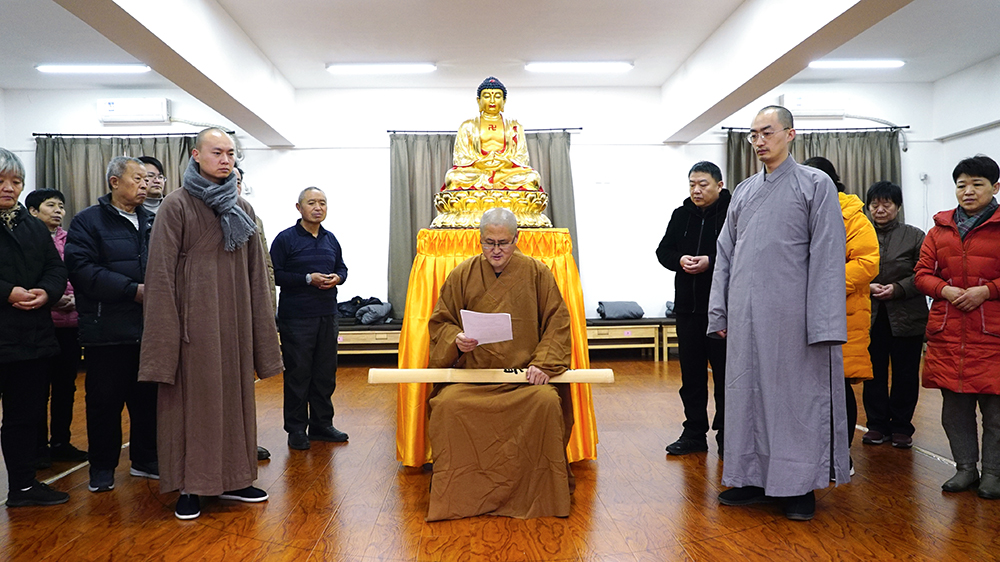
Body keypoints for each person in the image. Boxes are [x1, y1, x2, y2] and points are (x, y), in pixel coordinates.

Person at [708, 106, 849, 521]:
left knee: (794, 402)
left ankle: (798, 486)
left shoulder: (814, 184)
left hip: (794, 319)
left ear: (790, 133)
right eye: (753, 135)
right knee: (746, 396)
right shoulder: (745, 191)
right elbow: (724, 255)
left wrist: (823, 323)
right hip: (747, 318)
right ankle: (752, 478)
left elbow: (828, 254)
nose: (758, 141)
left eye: (766, 132)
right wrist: (721, 312)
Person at [138, 128, 283, 519]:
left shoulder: (243, 209)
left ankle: (236, 478)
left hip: (233, 324)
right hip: (193, 328)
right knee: (192, 407)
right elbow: (161, 275)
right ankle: (190, 486)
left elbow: (257, 275)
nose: (225, 159)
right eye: (216, 152)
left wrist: (260, 332)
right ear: (195, 155)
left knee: (236, 402)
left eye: (231, 153)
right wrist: (165, 337)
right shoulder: (176, 205)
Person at [425, 207, 574, 520]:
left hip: (523, 380)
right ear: (479, 240)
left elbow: (558, 322)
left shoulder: (537, 272)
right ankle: (462, 496)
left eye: (503, 243)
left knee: (547, 403)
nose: (496, 250)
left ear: (516, 239)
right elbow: (441, 323)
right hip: (473, 380)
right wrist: (457, 340)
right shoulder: (462, 274)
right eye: (489, 243)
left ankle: (539, 494)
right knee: (447, 405)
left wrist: (543, 363)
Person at [65, 156, 158, 493]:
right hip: (107, 330)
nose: (145, 185)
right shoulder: (88, 221)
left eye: (148, 179)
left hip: (150, 331)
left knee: (148, 401)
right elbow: (82, 269)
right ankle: (102, 467)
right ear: (114, 182)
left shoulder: (153, 221)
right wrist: (131, 291)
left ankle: (146, 460)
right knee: (104, 403)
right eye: (138, 178)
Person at [915, 154, 1000, 499]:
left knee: (996, 414)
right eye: (962, 184)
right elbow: (921, 275)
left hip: (993, 333)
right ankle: (965, 469)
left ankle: (993, 473)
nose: (967, 191)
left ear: (994, 187)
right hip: (949, 333)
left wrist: (987, 290)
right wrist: (945, 290)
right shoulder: (938, 230)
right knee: (955, 411)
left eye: (977, 184)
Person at [0, 148, 71, 507]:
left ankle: (23, 486)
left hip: (30, 337)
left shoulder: (30, 225)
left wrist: (47, 291)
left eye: (16, 181)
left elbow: (56, 268)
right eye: (1, 180)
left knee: (25, 416)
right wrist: (6, 292)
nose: (8, 188)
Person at [803, 156, 879, 470]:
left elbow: (866, 264)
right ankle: (810, 455)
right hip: (801, 313)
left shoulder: (852, 216)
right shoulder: (799, 211)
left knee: (839, 387)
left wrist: (822, 282)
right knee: (805, 391)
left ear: (833, 183)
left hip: (842, 313)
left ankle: (839, 456)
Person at [655, 161, 729, 457]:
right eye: (692, 185)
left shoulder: (732, 213)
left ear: (719, 185)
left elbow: (742, 252)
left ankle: (728, 434)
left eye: (703, 184)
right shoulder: (681, 214)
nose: (696, 190)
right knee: (692, 376)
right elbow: (663, 251)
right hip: (687, 308)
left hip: (723, 310)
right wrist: (681, 259)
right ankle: (694, 432)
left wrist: (710, 261)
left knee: (725, 375)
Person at [270, 187, 349, 450]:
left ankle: (321, 425)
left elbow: (342, 267)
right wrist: (307, 279)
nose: (318, 207)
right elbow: (276, 275)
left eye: (323, 203)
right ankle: (295, 429)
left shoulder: (330, 239)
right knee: (298, 373)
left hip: (328, 314)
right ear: (298, 207)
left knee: (325, 373)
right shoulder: (285, 239)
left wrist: (338, 277)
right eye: (312, 203)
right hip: (297, 318)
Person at [25, 189, 88, 466]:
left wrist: (76, 298)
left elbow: (79, 273)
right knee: (37, 389)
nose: (58, 211)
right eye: (50, 205)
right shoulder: (25, 240)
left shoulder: (71, 239)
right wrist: (52, 298)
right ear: (33, 211)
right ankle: (38, 448)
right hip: (39, 324)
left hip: (70, 326)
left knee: (66, 388)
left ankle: (61, 442)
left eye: (61, 206)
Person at [863, 181, 927, 449]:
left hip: (907, 315)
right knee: (872, 373)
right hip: (871, 315)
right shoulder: (859, 234)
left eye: (886, 203)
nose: (880, 209)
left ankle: (901, 426)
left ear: (898, 207)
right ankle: (876, 425)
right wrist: (867, 287)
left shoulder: (915, 235)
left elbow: (925, 272)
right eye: (874, 204)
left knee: (905, 373)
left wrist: (899, 288)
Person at [235, 166, 275, 462]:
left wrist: (266, 307)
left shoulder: (252, 217)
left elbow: (265, 268)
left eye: (238, 181)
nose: (233, 185)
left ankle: (246, 442)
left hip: (249, 312)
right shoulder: (181, 209)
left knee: (246, 383)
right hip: (215, 315)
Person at [443, 76, 542, 191]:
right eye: (487, 96)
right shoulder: (467, 126)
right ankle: (492, 183)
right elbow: (460, 157)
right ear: (478, 101)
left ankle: (492, 183)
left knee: (532, 178)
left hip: (505, 172)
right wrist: (479, 163)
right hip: (477, 172)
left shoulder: (515, 126)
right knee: (453, 177)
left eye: (497, 96)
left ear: (504, 101)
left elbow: (522, 157)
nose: (492, 101)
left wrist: (506, 162)